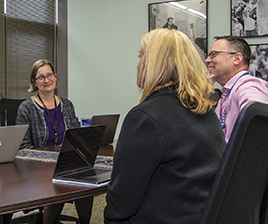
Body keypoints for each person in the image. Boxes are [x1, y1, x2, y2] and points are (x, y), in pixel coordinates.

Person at [104, 28, 226, 224]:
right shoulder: (205, 109)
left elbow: (121, 204)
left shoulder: (145, 117)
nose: (137, 65)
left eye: (141, 57)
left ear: (154, 64)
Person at [16, 59, 93, 224]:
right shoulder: (26, 108)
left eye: (49, 75)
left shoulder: (67, 105)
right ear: (34, 82)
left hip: (66, 161)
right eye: (41, 77)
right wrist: (49, 158)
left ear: (55, 76)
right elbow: (23, 148)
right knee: (56, 180)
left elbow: (76, 136)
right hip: (39, 166)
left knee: (85, 176)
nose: (46, 80)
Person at [205, 35, 268, 142]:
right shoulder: (227, 94)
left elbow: (260, 126)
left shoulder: (248, 87)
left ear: (237, 58)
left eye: (214, 54)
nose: (207, 60)